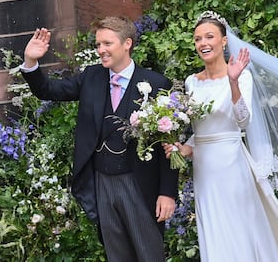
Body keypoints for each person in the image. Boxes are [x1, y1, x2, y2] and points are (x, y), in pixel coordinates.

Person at [164, 11, 278, 261]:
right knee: (213, 228)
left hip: (232, 164)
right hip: (205, 170)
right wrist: (183, 149)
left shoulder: (242, 76)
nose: (203, 43)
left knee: (238, 229)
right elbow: (201, 130)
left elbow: (243, 120)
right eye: (198, 39)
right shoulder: (191, 82)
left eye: (209, 36)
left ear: (223, 41)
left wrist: (233, 82)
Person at [21, 16, 179, 261]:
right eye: (98, 45)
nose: (101, 50)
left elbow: (169, 145)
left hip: (139, 183)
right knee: (116, 255)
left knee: (150, 254)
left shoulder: (156, 84)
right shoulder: (91, 77)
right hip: (102, 182)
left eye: (107, 43)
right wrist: (31, 61)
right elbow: (48, 91)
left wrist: (168, 192)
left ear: (127, 43)